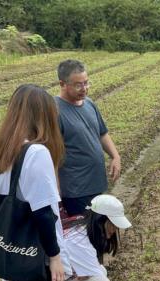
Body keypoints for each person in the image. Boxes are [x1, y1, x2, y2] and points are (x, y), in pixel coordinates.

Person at [0, 84, 72, 281]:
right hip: (37, 256)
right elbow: (43, 213)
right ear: (44, 116)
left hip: (10, 251)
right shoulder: (36, 152)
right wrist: (55, 257)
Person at [55, 59, 122, 216]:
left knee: (98, 231)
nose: (84, 89)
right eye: (78, 85)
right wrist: (56, 196)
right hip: (76, 191)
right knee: (84, 235)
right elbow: (52, 157)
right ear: (62, 84)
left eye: (86, 83)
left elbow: (102, 133)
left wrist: (115, 156)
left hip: (97, 184)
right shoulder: (55, 111)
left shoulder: (89, 104)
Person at [63, 194, 160, 281]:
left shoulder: (80, 230)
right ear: (100, 220)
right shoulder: (80, 242)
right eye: (113, 224)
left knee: (100, 271)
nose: (114, 229)